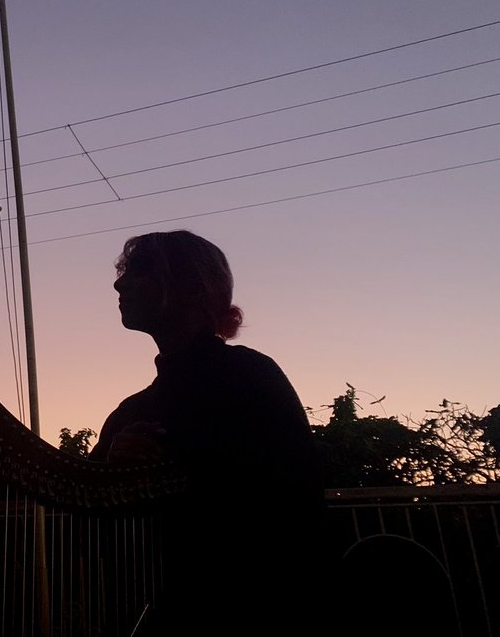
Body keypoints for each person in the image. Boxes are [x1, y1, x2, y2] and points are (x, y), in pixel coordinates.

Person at [91, 230, 325, 636]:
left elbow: (293, 499)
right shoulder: (131, 411)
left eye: (140, 269)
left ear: (192, 287)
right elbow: (89, 501)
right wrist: (113, 470)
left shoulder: (251, 376)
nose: (119, 282)